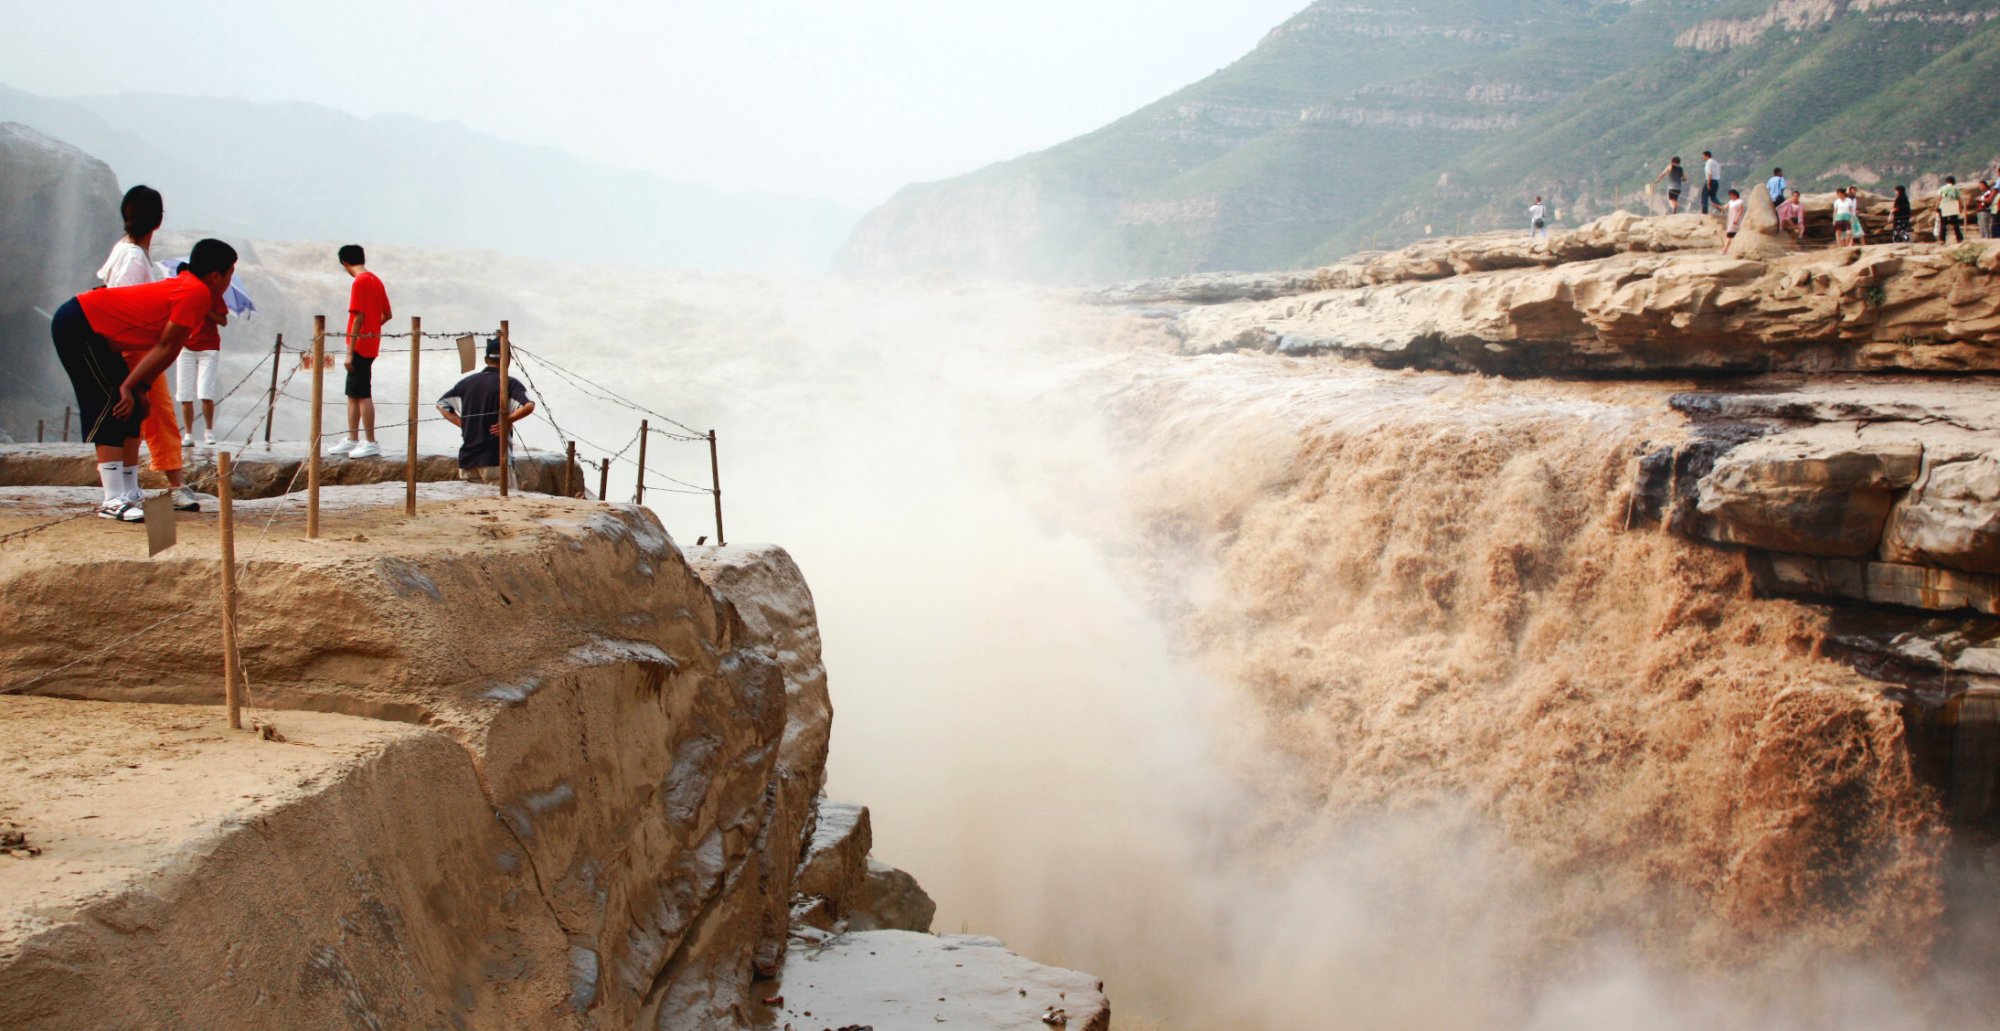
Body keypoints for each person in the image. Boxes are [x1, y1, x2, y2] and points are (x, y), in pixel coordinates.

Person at [51, 239, 236, 521]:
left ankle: (129, 492)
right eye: (229, 274)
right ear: (216, 276)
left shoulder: (193, 289)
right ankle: (113, 499)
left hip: (96, 331)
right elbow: (166, 346)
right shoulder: (195, 292)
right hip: (80, 325)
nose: (229, 281)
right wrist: (130, 386)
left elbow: (166, 349)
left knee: (134, 409)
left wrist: (140, 388)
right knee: (113, 405)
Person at [95, 185, 197, 512]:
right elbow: (124, 302)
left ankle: (132, 487)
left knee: (139, 418)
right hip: (134, 347)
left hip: (129, 344)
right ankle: (174, 485)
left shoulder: (125, 249)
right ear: (158, 220)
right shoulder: (133, 256)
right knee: (159, 413)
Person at [435, 337, 536, 484]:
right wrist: (507, 420)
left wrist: (463, 424)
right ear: (508, 360)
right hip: (496, 459)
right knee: (502, 499)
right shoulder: (509, 383)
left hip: (468, 460)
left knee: (473, 499)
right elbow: (529, 405)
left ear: (486, 359)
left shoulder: (466, 383)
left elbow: (441, 405)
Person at [330, 244, 391, 459]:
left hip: (359, 346)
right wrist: (372, 330)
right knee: (353, 394)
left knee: (362, 394)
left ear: (345, 263)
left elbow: (358, 317)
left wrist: (350, 350)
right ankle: (353, 438)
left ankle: (371, 442)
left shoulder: (359, 282)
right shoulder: (375, 280)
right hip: (371, 343)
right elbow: (387, 314)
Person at [176, 270, 226, 449]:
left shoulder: (213, 295)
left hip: (208, 348)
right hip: (186, 347)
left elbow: (223, 321)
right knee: (184, 393)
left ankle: (209, 431)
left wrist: (207, 311)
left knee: (206, 392)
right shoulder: (183, 296)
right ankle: (188, 434)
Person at [1939, 176, 1966, 244]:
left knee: (1943, 224)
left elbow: (1940, 198)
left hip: (1944, 206)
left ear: (1946, 181)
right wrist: (1960, 207)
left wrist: (1937, 206)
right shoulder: (1956, 188)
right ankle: (1959, 239)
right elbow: (1959, 199)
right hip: (1953, 206)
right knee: (1955, 223)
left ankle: (1942, 240)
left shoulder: (1942, 188)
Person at [1701, 151, 1722, 215]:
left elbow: (1709, 174)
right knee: (1713, 196)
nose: (1702, 158)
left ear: (1707, 156)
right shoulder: (1715, 162)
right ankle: (1721, 209)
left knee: (1704, 195)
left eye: (1703, 156)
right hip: (1716, 180)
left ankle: (1704, 211)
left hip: (1710, 180)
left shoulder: (1708, 162)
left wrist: (1708, 183)